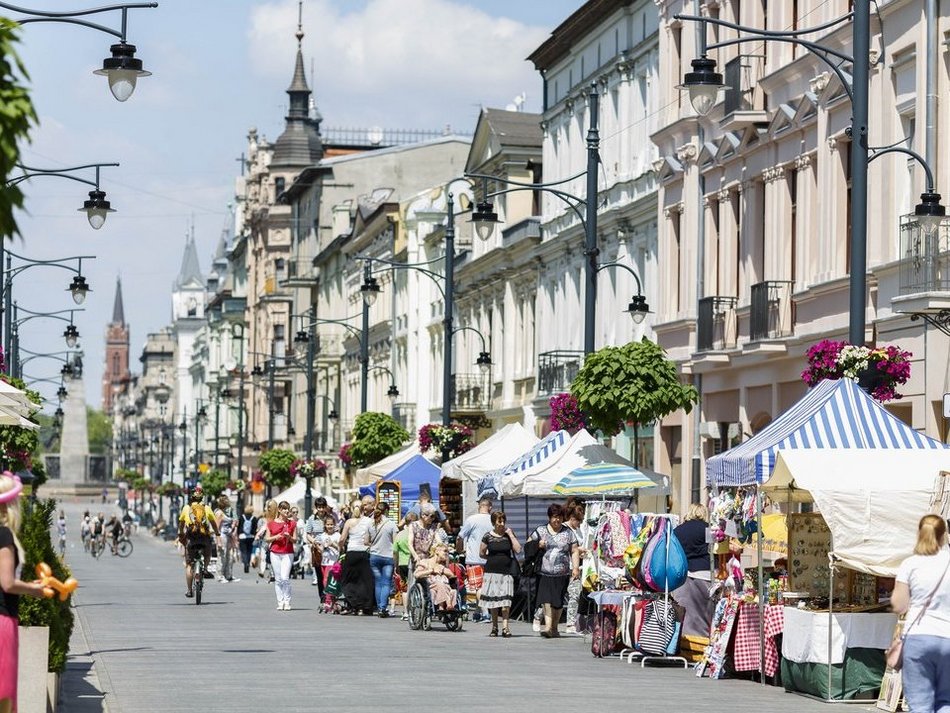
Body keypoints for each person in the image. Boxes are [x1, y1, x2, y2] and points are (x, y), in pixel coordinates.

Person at [891, 514, 950, 713]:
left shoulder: (910, 564)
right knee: (947, 701)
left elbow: (899, 605)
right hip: (948, 637)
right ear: (945, 536)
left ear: (920, 534)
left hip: (918, 636)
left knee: (920, 704)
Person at [1, 473, 46, 711]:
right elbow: (7, 583)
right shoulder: (4, 535)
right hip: (2, 621)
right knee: (5, 696)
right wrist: (34, 589)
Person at [529, 503, 579, 638]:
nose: (557, 520)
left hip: (562, 573)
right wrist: (538, 545)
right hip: (544, 573)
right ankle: (548, 627)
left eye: (559, 517)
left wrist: (575, 568)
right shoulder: (540, 530)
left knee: (558, 601)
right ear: (549, 517)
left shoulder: (568, 533)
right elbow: (528, 545)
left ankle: (555, 628)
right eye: (554, 517)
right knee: (546, 600)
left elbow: (574, 551)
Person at [672, 503, 715, 641]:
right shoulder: (708, 529)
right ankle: (703, 640)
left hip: (683, 574)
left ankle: (685, 641)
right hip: (705, 572)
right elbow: (713, 550)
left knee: (685, 611)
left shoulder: (678, 530)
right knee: (706, 610)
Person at [479, 510, 521, 638]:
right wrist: (492, 559)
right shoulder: (487, 536)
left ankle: (505, 627)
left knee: (505, 602)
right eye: (499, 521)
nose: (502, 524)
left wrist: (510, 534)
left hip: (506, 572)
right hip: (492, 572)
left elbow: (518, 549)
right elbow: (481, 553)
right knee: (494, 602)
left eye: (503, 521)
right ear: (494, 522)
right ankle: (494, 627)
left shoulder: (508, 534)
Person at [178, 487, 220, 598]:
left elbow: (181, 524)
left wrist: (181, 534)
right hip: (204, 538)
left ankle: (189, 590)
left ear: (191, 497)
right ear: (202, 497)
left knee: (189, 564)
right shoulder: (207, 508)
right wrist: (217, 533)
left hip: (191, 539)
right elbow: (213, 523)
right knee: (207, 553)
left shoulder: (186, 508)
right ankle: (205, 569)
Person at [457, 495, 494, 621]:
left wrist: (459, 549)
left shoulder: (471, 520)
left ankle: (485, 613)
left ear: (479, 506)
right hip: (490, 558)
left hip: (474, 558)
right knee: (485, 586)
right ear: (490, 507)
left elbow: (460, 537)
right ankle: (478, 612)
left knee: (479, 587)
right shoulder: (494, 521)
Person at [339, 495, 376, 615]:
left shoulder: (349, 522)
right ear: (362, 509)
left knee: (349, 579)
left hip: (351, 552)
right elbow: (371, 537)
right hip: (364, 553)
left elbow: (342, 539)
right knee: (364, 581)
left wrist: (341, 549)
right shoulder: (369, 521)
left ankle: (353, 604)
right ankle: (363, 607)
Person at [264, 501, 296, 611]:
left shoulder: (292, 523)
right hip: (275, 552)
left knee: (285, 578)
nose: (286, 511)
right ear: (279, 510)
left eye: (288, 509)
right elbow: (267, 538)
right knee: (278, 579)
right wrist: (276, 537)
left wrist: (289, 537)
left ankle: (287, 601)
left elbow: (295, 539)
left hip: (287, 552)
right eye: (284, 509)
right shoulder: (271, 523)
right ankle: (280, 601)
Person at [367, 501, 397, 617]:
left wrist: (374, 544)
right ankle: (383, 608)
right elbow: (395, 544)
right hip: (388, 557)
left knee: (378, 583)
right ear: (387, 511)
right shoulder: (391, 524)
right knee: (386, 583)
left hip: (374, 556)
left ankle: (379, 606)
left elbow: (365, 541)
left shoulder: (370, 524)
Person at [563, 504, 587, 634]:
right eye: (579, 520)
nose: (580, 523)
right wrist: (579, 549)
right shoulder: (564, 529)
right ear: (572, 518)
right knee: (558, 595)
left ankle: (570, 623)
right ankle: (538, 616)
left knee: (575, 594)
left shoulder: (578, 530)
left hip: (576, 566)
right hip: (564, 566)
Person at [414, 543, 457, 611]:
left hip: (443, 586)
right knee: (440, 584)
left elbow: (452, 575)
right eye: (445, 551)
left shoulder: (442, 566)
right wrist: (431, 571)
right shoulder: (425, 562)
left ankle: (444, 606)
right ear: (436, 551)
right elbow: (416, 575)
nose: (446, 554)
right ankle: (447, 605)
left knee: (451, 589)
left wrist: (442, 571)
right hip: (429, 585)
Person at [305, 498, 331, 591]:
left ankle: (329, 596)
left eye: (322, 507)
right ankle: (322, 597)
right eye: (319, 507)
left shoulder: (329, 518)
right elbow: (308, 534)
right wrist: (313, 541)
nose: (320, 509)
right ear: (316, 507)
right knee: (319, 574)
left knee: (328, 574)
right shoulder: (312, 519)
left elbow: (335, 531)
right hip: (316, 548)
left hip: (328, 548)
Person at [214, 496, 239, 583]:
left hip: (228, 536)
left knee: (229, 556)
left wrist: (233, 524)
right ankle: (220, 576)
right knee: (222, 556)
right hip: (222, 537)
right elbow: (216, 528)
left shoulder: (224, 512)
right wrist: (218, 541)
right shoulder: (219, 513)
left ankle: (228, 575)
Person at [237, 505, 258, 574]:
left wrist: (238, 535)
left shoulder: (241, 517)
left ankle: (245, 563)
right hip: (251, 537)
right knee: (249, 551)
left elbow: (239, 527)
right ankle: (248, 563)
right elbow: (255, 528)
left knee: (243, 551)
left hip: (242, 536)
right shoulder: (254, 518)